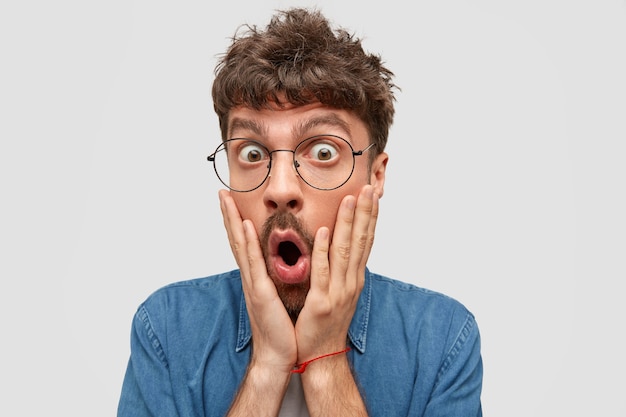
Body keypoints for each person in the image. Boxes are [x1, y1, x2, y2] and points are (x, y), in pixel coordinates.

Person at [118, 7, 483, 417]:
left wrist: (325, 359)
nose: (280, 189)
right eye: (253, 153)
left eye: (323, 152)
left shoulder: (443, 338)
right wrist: (267, 365)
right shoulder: (166, 328)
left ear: (375, 176)